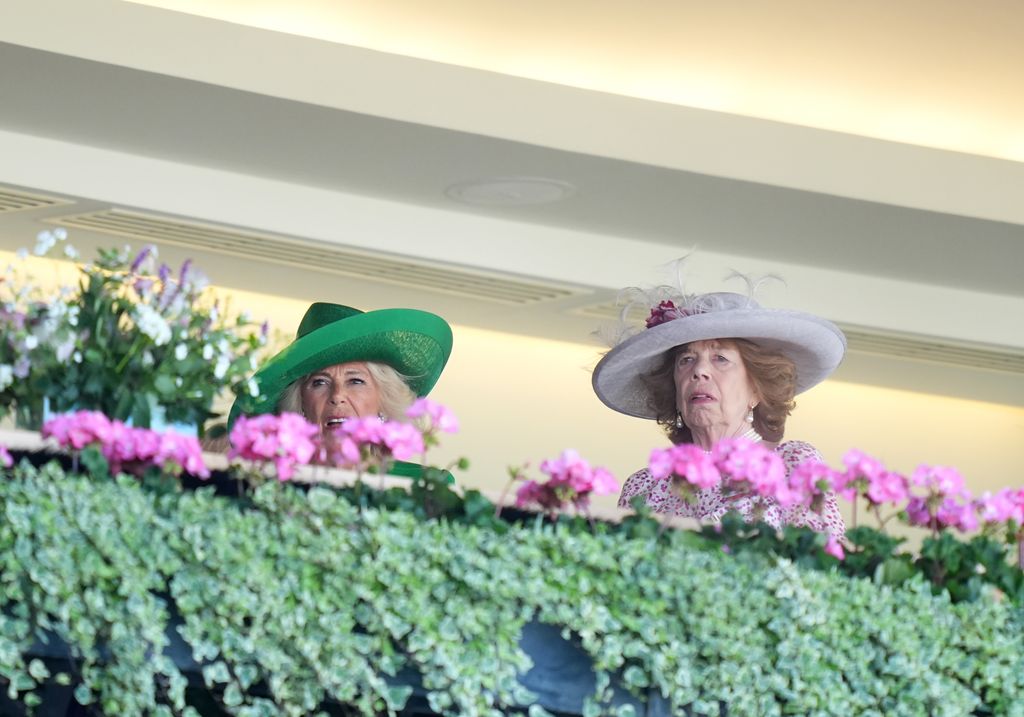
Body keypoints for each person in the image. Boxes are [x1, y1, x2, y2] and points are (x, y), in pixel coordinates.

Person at [591, 290, 846, 536]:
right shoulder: (645, 487)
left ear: (757, 389)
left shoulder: (793, 465)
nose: (699, 371)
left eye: (720, 358)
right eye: (686, 360)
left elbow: (824, 563)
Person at [228, 302, 452, 478]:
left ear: (384, 400)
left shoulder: (424, 486)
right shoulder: (269, 478)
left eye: (355, 381)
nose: (337, 397)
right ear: (301, 404)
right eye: (319, 383)